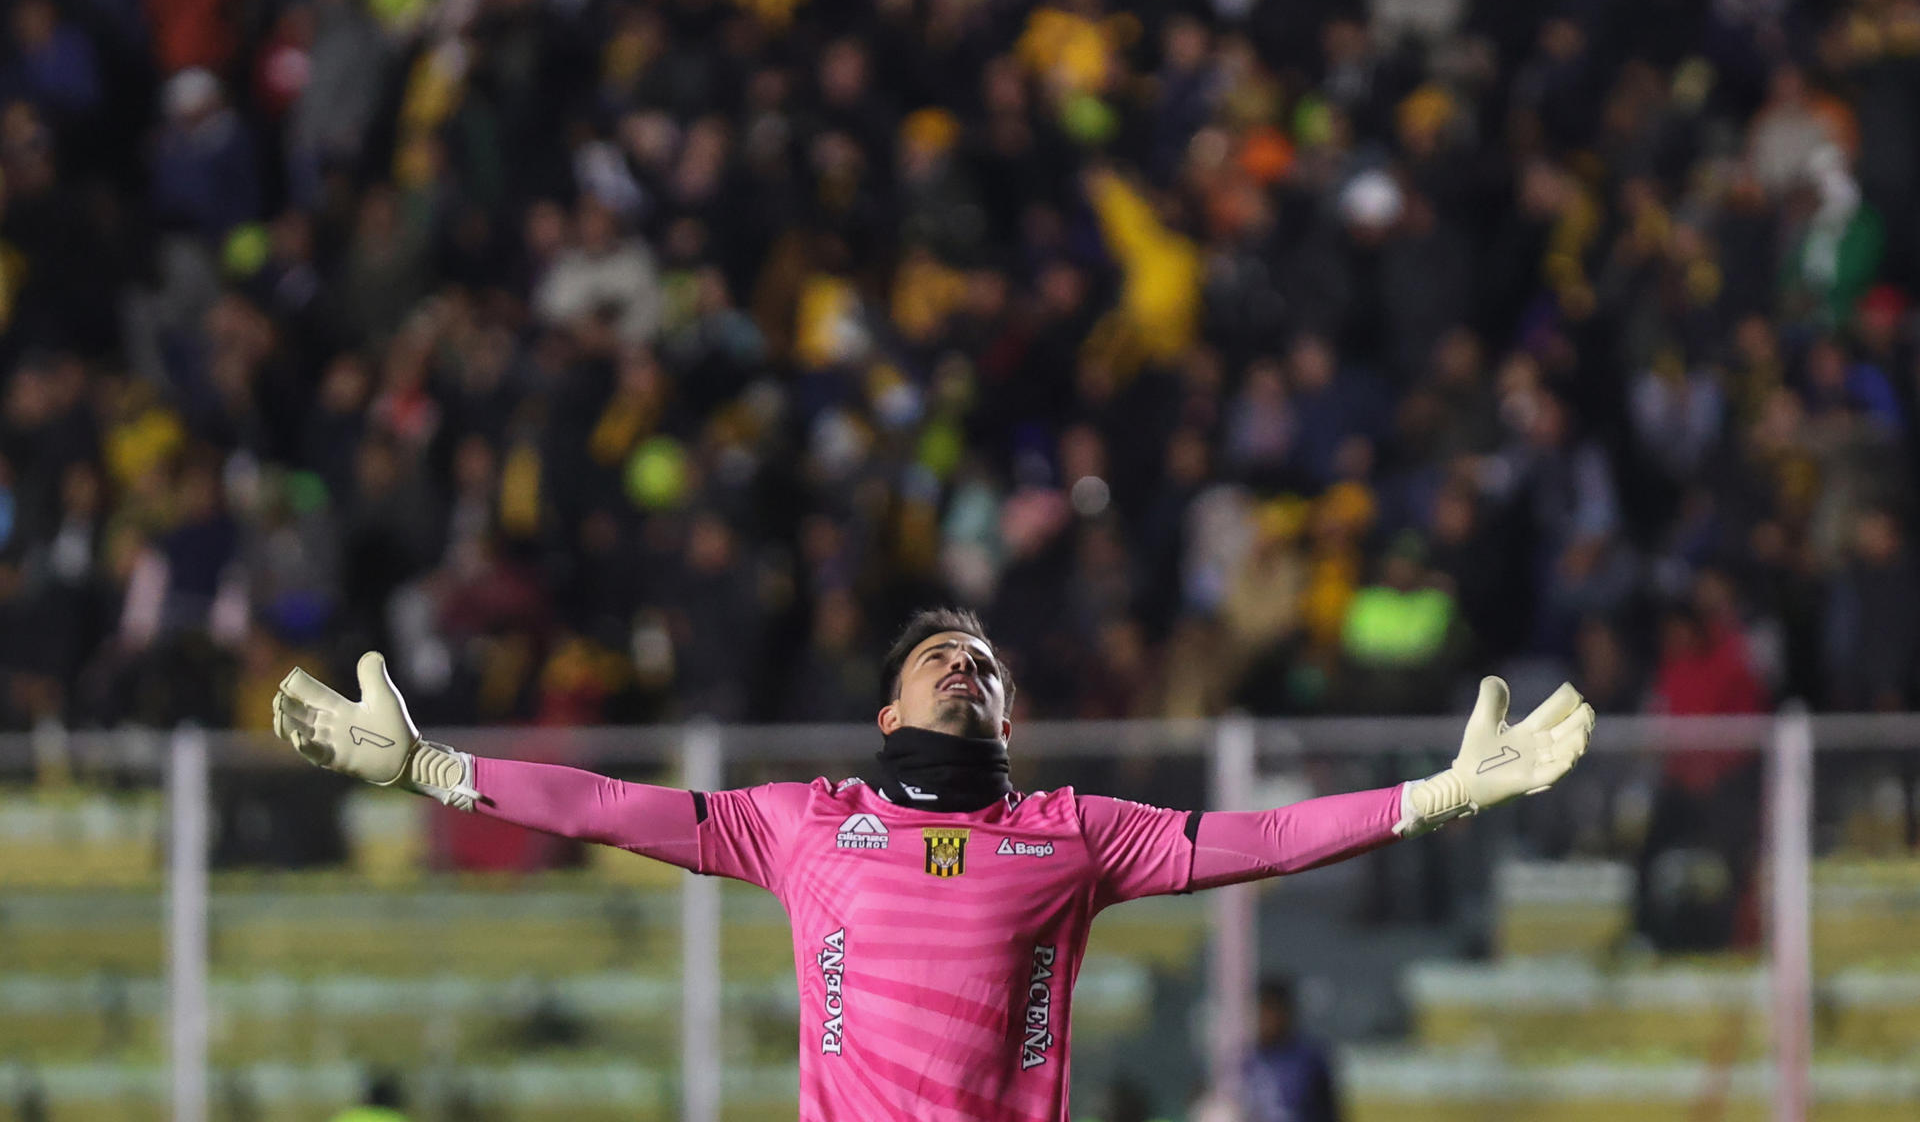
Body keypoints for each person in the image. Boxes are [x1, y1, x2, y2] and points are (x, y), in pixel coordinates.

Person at [272, 607, 1595, 1122]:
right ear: (890, 717)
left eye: (987, 665)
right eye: (938, 659)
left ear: (1007, 720)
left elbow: (1264, 839)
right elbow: (611, 807)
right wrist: (435, 771)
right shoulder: (801, 824)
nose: (968, 665)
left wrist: (1431, 797)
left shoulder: (1072, 835)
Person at [1243, 978, 1340, 1122]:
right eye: (1259, 1011)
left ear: (1285, 1013)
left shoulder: (1308, 1060)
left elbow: (1329, 1112)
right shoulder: (1244, 1060)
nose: (1263, 1020)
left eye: (1269, 1011)